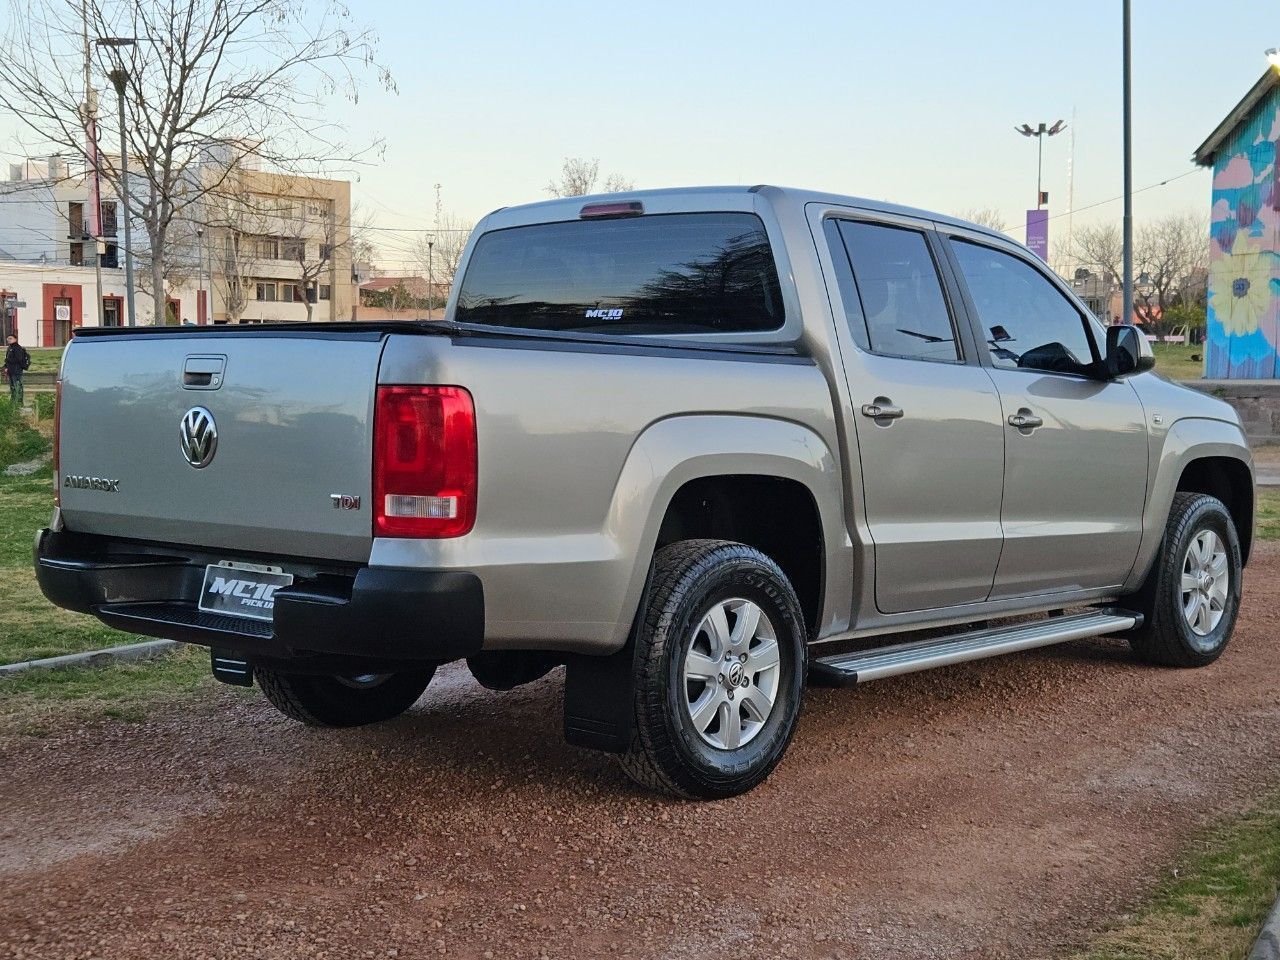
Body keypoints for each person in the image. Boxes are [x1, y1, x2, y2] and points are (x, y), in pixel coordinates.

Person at [4, 332, 30, 406]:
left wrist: (8, 360)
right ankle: (13, 401)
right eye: (8, 339)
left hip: (17, 370)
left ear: (15, 339)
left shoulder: (17, 348)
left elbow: (19, 359)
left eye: (10, 338)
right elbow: (8, 359)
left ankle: (19, 402)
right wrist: (6, 366)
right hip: (11, 370)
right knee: (12, 387)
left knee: (18, 387)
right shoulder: (10, 348)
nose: (8, 340)